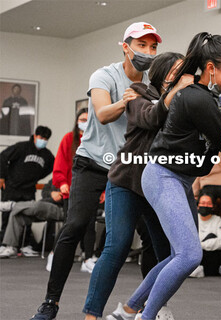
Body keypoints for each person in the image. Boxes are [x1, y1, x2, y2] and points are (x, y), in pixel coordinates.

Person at [30, 22, 162, 320]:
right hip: (92, 163)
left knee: (152, 237)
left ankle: (147, 306)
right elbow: (102, 114)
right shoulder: (104, 75)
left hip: (129, 168)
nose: (148, 52)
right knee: (75, 225)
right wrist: (127, 99)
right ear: (125, 46)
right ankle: (51, 303)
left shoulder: (153, 84)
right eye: (141, 45)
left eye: (153, 47)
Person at [114, 32, 221, 320]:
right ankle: (145, 316)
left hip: (179, 179)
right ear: (211, 68)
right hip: (163, 176)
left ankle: (128, 309)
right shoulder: (196, 98)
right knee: (189, 256)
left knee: (178, 255)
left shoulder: (208, 97)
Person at [85, 52, 192, 320]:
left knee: (171, 254)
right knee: (117, 246)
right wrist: (177, 89)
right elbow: (151, 118)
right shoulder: (138, 92)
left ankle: (134, 308)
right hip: (126, 182)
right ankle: (91, 315)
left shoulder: (182, 101)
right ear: (166, 72)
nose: (182, 75)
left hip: (157, 187)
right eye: (178, 70)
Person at [45, 108, 99, 273]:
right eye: (81, 118)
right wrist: (61, 182)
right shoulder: (69, 138)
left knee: (90, 224)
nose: (84, 121)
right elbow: (60, 163)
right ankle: (54, 255)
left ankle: (87, 259)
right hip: (71, 189)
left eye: (87, 118)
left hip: (91, 189)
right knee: (71, 224)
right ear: (76, 121)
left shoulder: (96, 139)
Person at [0, 125, 54, 241]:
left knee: (27, 217)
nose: (43, 141)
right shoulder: (21, 147)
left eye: (45, 139)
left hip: (29, 190)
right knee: (8, 217)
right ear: (35, 136)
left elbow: (51, 167)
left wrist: (37, 176)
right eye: (41, 138)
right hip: (12, 187)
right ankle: (5, 244)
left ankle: (24, 244)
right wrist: (2, 177)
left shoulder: (47, 155)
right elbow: (3, 157)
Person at [189, 192, 221, 278]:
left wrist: (200, 244)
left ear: (213, 206)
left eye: (208, 203)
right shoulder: (192, 219)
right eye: (202, 203)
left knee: (211, 236)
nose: (205, 206)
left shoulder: (219, 221)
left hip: (211, 256)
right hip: (195, 254)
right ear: (198, 205)